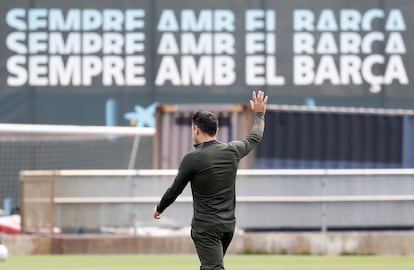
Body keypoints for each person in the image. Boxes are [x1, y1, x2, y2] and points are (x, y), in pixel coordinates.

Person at [153, 90, 268, 270]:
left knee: (213, 268)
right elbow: (255, 136)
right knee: (211, 265)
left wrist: (159, 208)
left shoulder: (193, 158)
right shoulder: (233, 151)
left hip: (206, 229)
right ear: (215, 129)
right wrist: (259, 114)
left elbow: (175, 190)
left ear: (196, 129)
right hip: (227, 227)